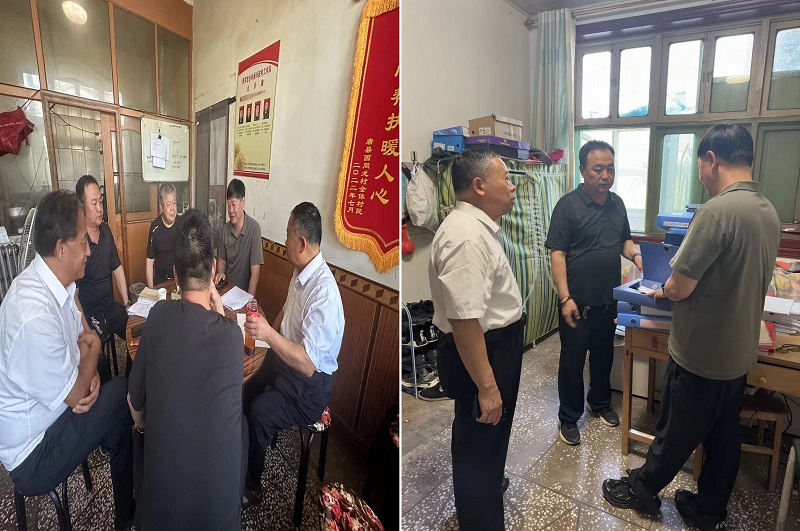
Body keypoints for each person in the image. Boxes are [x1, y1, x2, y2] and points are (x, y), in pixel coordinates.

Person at [603, 124, 781, 529]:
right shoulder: (767, 211)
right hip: (738, 353)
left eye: (700, 165)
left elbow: (680, 287)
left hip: (702, 353)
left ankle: (642, 490)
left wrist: (662, 289)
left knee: (675, 432)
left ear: (711, 159)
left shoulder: (717, 211)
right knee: (723, 437)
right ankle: (709, 509)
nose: (701, 175)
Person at [0, 190, 135, 530]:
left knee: (107, 387)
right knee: (120, 397)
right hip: (33, 452)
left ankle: (111, 445)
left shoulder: (59, 283)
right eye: (82, 242)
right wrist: (91, 358)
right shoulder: (32, 314)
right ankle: (129, 517)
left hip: (53, 410)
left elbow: (83, 337)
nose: (89, 251)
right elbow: (77, 386)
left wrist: (88, 366)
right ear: (61, 248)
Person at [128, 209, 245, 530]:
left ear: (175, 275)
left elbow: (135, 406)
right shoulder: (233, 337)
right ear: (213, 270)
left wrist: (148, 426)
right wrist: (221, 312)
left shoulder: (157, 318)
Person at [428, 149, 524, 531]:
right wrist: (488, 387)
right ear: (480, 185)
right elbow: (465, 321)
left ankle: (485, 486)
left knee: (485, 436)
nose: (513, 187)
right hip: (483, 350)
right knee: (480, 435)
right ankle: (480, 517)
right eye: (506, 179)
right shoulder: (466, 236)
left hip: (493, 346)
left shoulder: (476, 227)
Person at [242, 202, 344, 508]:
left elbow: (308, 363)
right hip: (285, 362)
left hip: (307, 389)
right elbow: (287, 314)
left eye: (287, 235)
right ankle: (240, 450)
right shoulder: (301, 273)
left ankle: (252, 487)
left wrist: (268, 335)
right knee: (245, 383)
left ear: (301, 243)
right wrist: (264, 340)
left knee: (259, 412)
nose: (284, 240)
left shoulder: (324, 293)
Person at [545, 139, 642, 446]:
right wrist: (564, 297)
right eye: (598, 169)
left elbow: (624, 240)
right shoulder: (567, 206)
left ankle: (599, 403)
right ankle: (568, 417)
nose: (605, 175)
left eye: (610, 169)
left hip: (608, 300)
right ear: (583, 170)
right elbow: (557, 254)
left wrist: (637, 256)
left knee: (603, 357)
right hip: (576, 302)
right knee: (572, 362)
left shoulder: (618, 204)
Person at [75, 175, 131, 381]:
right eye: (94, 203)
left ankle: (131, 384)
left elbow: (117, 269)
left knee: (137, 334)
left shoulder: (106, 231)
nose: (100, 208)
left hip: (110, 307)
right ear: (83, 207)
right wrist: (86, 329)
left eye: (101, 201)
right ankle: (110, 394)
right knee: (98, 361)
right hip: (90, 315)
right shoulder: (78, 241)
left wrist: (127, 304)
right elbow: (74, 295)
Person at [214, 178, 263, 295]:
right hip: (226, 289)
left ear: (243, 201)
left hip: (244, 292)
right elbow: (222, 260)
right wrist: (220, 272)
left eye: (234, 204)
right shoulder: (225, 230)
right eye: (228, 205)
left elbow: (255, 274)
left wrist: (249, 299)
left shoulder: (254, 229)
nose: (230, 210)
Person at [146, 183, 180, 287]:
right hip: (160, 281)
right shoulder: (155, 227)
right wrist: (151, 289)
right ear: (161, 207)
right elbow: (149, 261)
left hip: (179, 279)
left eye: (174, 203)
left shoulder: (182, 224)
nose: (172, 208)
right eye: (168, 204)